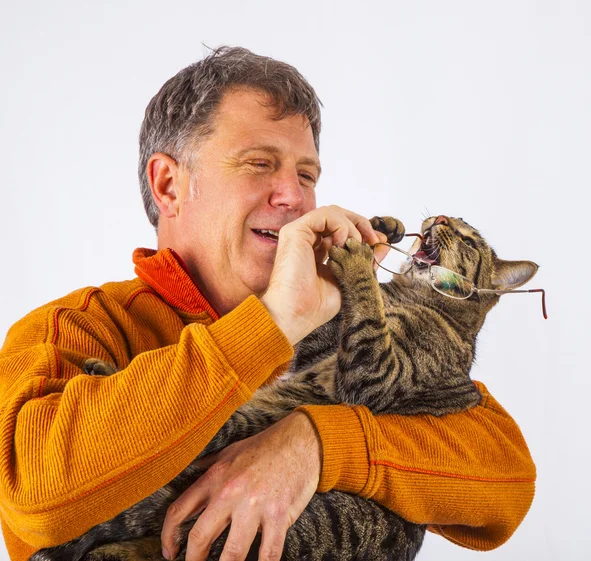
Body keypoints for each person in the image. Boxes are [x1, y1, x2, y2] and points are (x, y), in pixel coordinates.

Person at [0, 47, 535, 561]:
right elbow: (33, 496)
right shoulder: (77, 327)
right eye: (259, 164)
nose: (294, 197)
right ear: (168, 186)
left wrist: (314, 443)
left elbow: (507, 476)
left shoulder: (339, 319)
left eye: (306, 175)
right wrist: (274, 322)